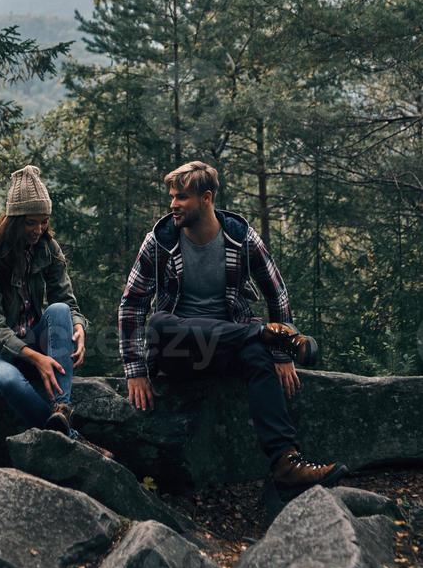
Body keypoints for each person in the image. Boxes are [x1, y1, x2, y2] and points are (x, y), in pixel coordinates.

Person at [118, 160, 347, 496]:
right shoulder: (160, 240)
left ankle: (286, 462)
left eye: (181, 197)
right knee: (160, 323)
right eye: (172, 196)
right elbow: (132, 305)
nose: (173, 204)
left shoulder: (240, 237)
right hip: (180, 352)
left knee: (258, 353)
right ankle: (263, 333)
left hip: (227, 348)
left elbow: (276, 291)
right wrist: (135, 371)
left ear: (206, 198)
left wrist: (282, 356)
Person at [0, 164, 86, 438]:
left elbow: (65, 300)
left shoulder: (47, 248)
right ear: (14, 220)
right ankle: (68, 437)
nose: (39, 229)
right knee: (7, 379)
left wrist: (78, 325)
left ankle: (62, 408)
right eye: (31, 222)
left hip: (32, 341)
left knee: (59, 310)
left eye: (44, 221)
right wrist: (37, 358)